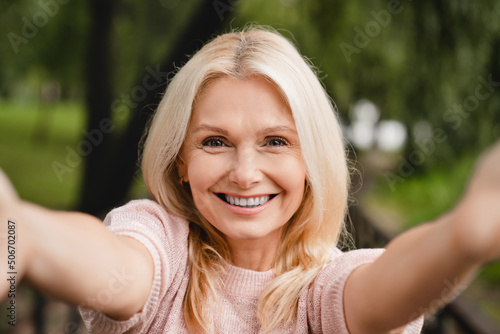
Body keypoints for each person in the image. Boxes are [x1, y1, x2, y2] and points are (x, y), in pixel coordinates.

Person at [1, 26, 500, 334]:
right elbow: (116, 265)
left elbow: (383, 289)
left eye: (276, 142)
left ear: (311, 163)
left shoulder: (322, 290)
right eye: (214, 142)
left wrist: (461, 237)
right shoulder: (162, 247)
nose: (244, 174)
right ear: (181, 161)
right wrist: (23, 234)